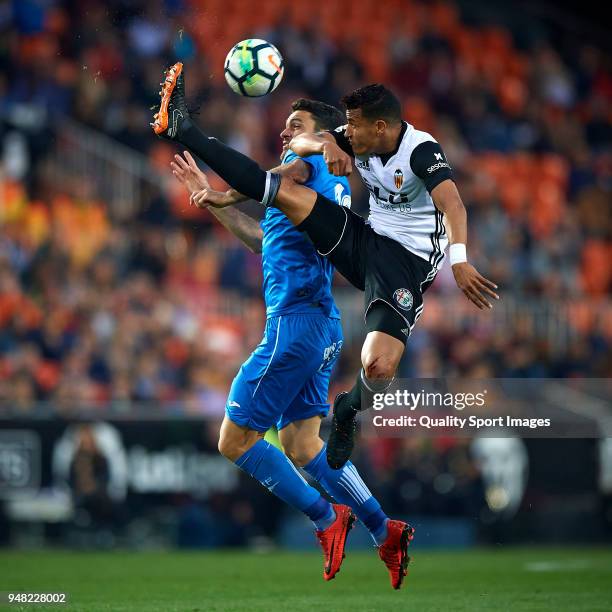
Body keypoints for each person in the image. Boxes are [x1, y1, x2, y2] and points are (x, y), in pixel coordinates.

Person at [163, 87, 413, 590]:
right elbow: (264, 238)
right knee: (302, 443)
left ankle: (326, 518)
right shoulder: (315, 188)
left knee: (234, 441)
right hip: (321, 326)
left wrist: (230, 187)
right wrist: (215, 202)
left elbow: (271, 179)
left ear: (322, 134)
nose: (284, 132)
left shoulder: (307, 164)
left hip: (294, 325)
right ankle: (385, 530)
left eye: (293, 125)